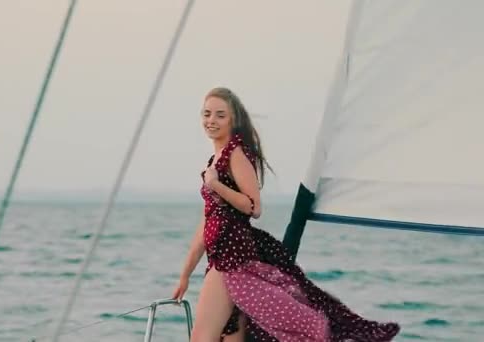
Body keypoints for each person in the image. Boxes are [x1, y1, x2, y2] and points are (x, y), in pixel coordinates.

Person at [171, 87, 400, 342]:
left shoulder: (235, 155)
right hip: (220, 257)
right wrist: (185, 275)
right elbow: (205, 226)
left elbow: (253, 207)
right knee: (231, 338)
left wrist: (215, 185)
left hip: (231, 259)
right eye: (207, 114)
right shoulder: (214, 161)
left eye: (220, 115)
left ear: (233, 120)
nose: (211, 120)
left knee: (203, 338)